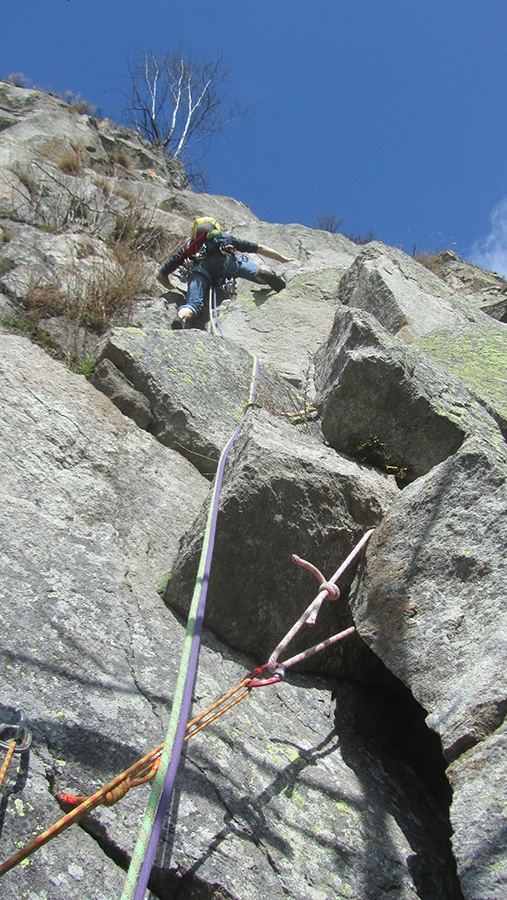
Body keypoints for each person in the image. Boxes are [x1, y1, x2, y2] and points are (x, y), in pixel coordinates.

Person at [157, 217, 295, 328]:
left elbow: (161, 275)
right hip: (227, 262)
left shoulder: (189, 246)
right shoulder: (225, 238)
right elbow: (259, 248)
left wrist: (173, 288)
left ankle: (182, 317)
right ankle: (264, 273)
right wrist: (283, 259)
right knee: (255, 271)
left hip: (200, 270)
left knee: (193, 304)